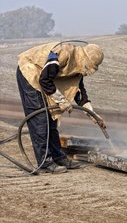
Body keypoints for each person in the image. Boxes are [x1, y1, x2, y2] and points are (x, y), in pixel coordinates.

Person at [17, 41, 105, 174]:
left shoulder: (79, 67)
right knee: (40, 120)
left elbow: (79, 93)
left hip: (45, 80)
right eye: (89, 67)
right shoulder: (63, 53)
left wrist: (94, 116)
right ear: (85, 59)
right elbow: (44, 80)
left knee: (52, 120)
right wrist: (62, 101)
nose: (88, 72)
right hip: (30, 73)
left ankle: (59, 158)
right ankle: (45, 162)